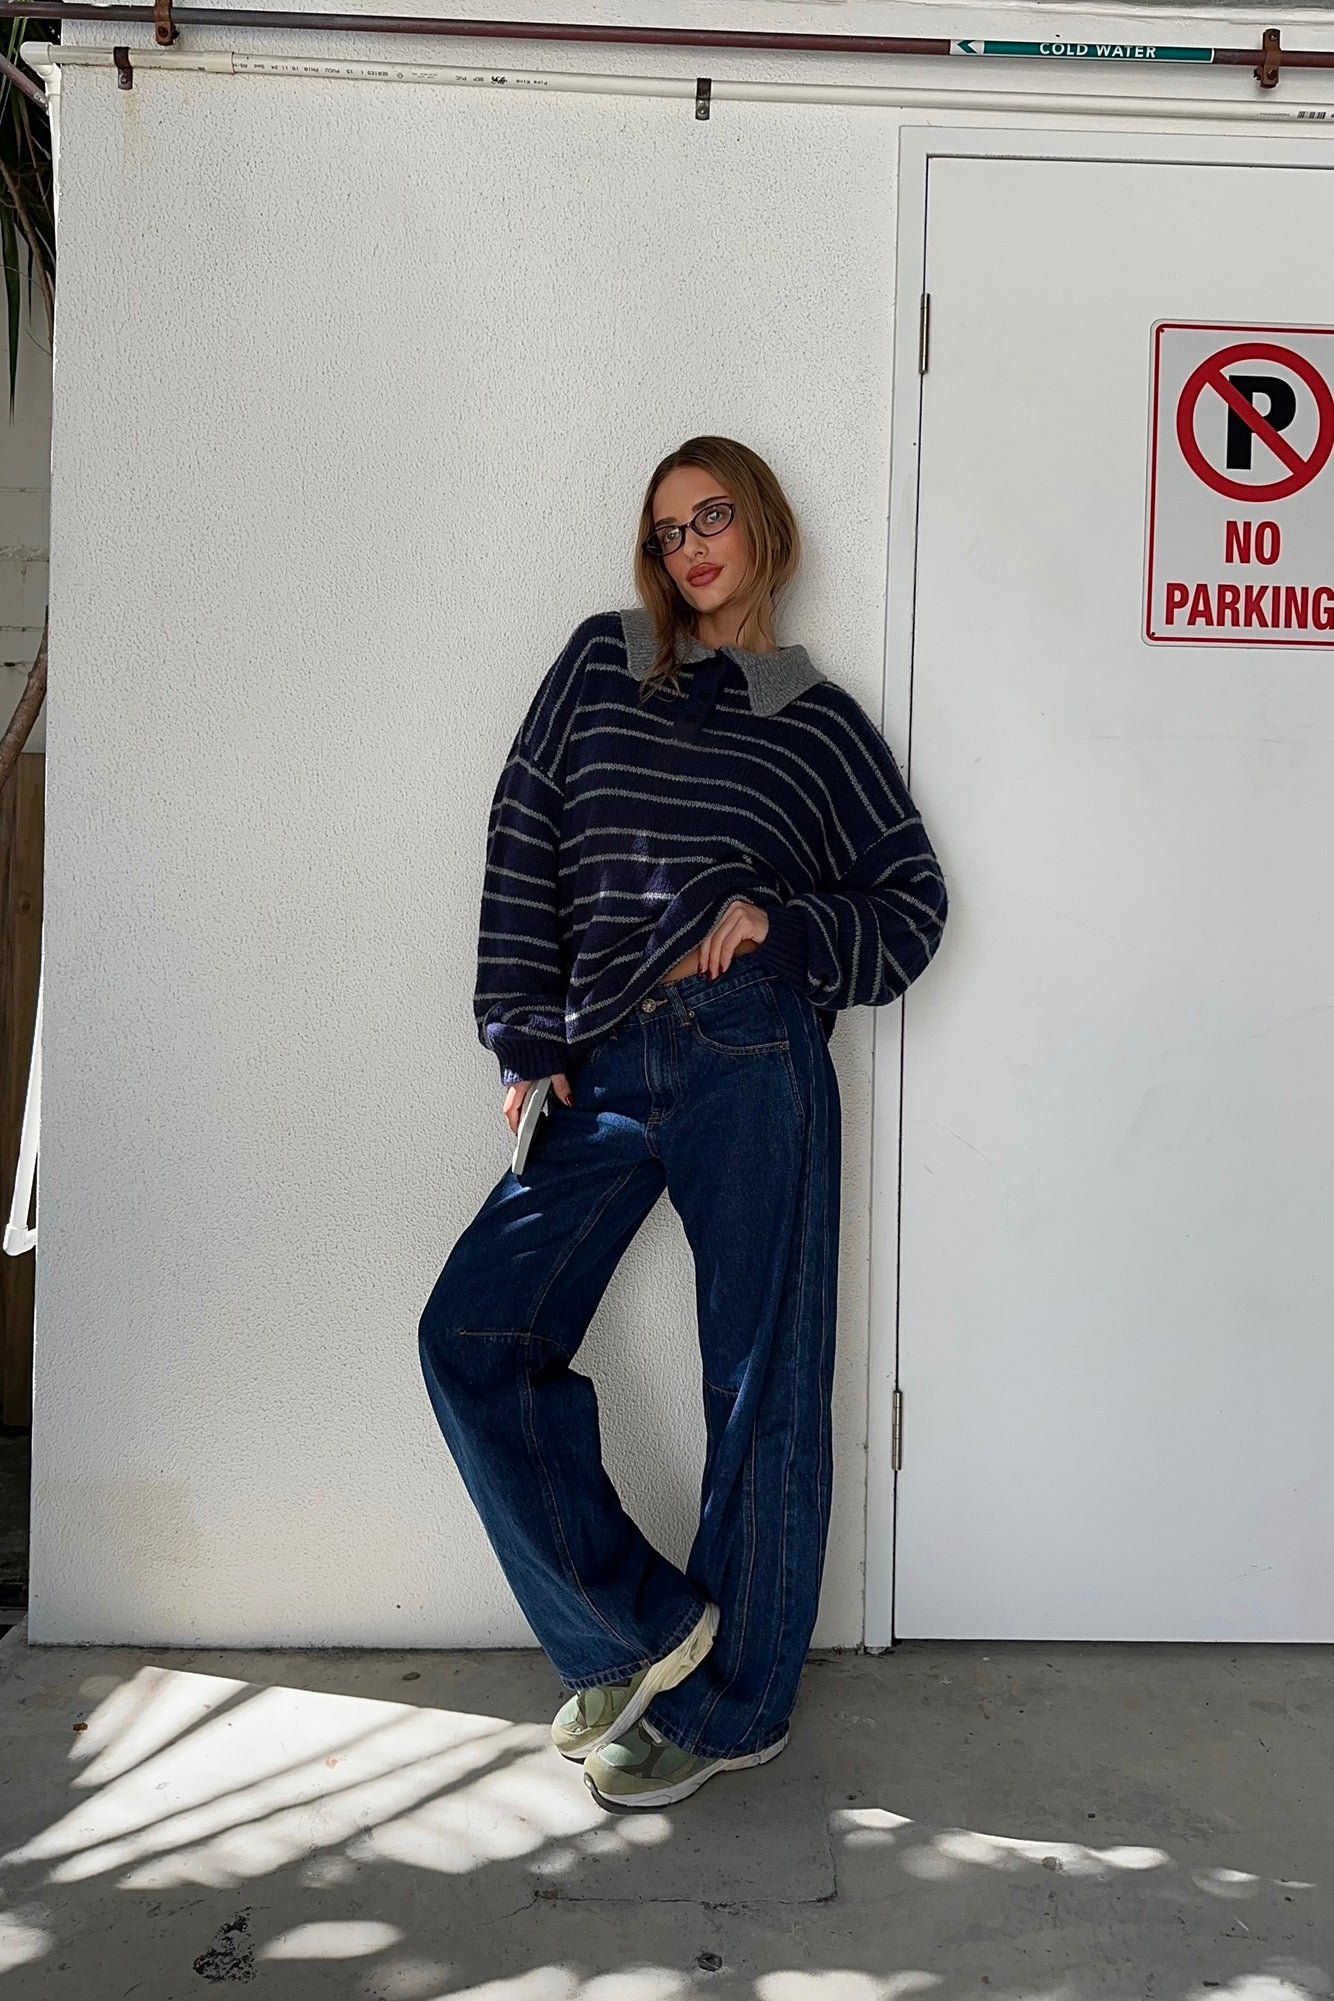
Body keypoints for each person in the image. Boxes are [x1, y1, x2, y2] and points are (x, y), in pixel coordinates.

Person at [418, 435, 948, 1812]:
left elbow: (911, 905)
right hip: (598, 1059)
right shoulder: (603, 663)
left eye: (711, 516)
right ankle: (637, 1631)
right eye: (666, 530)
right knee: (472, 1334)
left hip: (749, 1048)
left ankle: (739, 1707)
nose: (689, 547)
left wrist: (782, 919)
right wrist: (524, 1034)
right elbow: (525, 825)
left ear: (762, 524)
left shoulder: (819, 723)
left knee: (761, 1377)